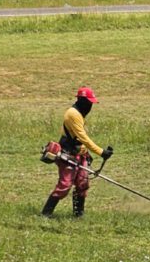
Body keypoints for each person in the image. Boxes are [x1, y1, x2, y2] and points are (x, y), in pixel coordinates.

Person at [42, 87, 113, 217]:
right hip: (67, 154)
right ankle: (46, 214)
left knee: (82, 184)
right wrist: (101, 152)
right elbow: (82, 137)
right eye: (88, 102)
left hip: (80, 154)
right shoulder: (73, 114)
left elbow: (80, 139)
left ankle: (78, 214)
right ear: (81, 100)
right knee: (65, 185)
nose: (90, 105)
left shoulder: (79, 113)